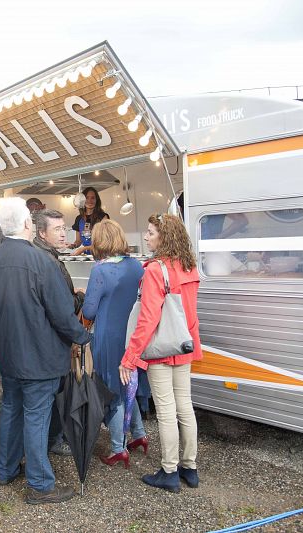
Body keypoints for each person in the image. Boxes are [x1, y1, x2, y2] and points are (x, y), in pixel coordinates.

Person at [0, 197, 91, 505]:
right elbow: (61, 313)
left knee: (12, 409)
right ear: (28, 224)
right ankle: (40, 484)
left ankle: (6, 469)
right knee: (36, 417)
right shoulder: (42, 262)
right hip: (39, 356)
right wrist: (82, 337)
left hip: (6, 354)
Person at [120, 213, 202, 493]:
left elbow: (147, 319)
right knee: (185, 407)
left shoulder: (156, 270)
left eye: (151, 232)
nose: (146, 237)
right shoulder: (189, 266)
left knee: (166, 411)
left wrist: (130, 356)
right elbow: (190, 312)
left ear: (164, 237)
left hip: (162, 348)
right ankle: (189, 467)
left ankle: (169, 472)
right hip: (185, 344)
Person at [81, 220, 147, 469]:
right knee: (128, 384)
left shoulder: (100, 271)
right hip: (132, 336)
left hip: (108, 338)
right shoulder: (136, 266)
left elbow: (89, 310)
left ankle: (119, 448)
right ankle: (139, 434)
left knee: (112, 392)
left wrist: (83, 294)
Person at [32, 208, 83, 457]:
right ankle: (53, 440)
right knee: (53, 395)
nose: (63, 234)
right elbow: (62, 306)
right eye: (57, 229)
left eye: (64, 228)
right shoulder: (48, 262)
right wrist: (79, 298)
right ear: (42, 233)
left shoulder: (44, 256)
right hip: (52, 340)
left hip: (45, 339)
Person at [71, 187, 110, 255]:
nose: (90, 200)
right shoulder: (79, 218)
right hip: (87, 256)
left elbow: (105, 242)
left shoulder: (103, 217)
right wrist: (73, 245)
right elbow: (78, 241)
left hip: (102, 255)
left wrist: (84, 248)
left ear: (96, 200)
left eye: (93, 198)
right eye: (87, 198)